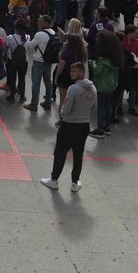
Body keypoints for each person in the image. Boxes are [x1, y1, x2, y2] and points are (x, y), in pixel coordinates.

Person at [41, 60, 96, 193]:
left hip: (69, 125)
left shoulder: (74, 89)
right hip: (84, 125)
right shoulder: (93, 88)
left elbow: (66, 110)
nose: (71, 73)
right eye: (71, 71)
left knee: (60, 152)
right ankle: (74, 182)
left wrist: (63, 112)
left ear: (82, 72)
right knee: (78, 154)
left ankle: (54, 180)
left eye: (74, 71)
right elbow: (94, 107)